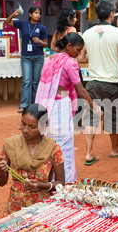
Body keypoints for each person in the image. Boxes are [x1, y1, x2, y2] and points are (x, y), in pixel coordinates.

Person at [36, 33, 102, 183]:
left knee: (48, 142)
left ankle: (48, 179)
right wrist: (95, 108)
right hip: (60, 107)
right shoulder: (69, 63)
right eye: (78, 50)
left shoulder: (49, 59)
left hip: (46, 105)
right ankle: (64, 182)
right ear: (69, 46)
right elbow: (81, 90)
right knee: (63, 145)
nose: (79, 54)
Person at [77, 0, 118, 165]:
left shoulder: (87, 33)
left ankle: (89, 153)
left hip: (92, 82)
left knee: (91, 118)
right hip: (111, 82)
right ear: (111, 14)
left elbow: (80, 58)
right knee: (112, 117)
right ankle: (115, 149)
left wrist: (95, 57)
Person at [0, 104, 65, 215]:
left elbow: (61, 183)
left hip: (42, 209)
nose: (25, 130)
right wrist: (1, 171)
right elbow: (2, 183)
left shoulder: (53, 148)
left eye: (32, 127)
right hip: (15, 207)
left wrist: (41, 185)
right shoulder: (10, 145)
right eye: (23, 124)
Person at [5, 6, 48, 113]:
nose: (37, 15)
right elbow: (7, 22)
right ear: (30, 14)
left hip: (38, 56)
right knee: (27, 81)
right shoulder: (23, 24)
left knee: (35, 82)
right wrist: (13, 15)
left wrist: (40, 42)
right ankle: (24, 105)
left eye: (39, 13)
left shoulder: (42, 28)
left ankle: (36, 104)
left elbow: (46, 44)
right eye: (35, 13)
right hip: (26, 57)